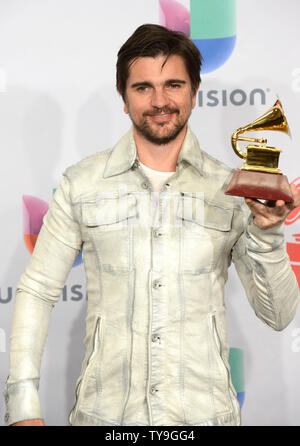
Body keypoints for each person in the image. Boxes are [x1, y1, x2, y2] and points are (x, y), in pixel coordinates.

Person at [4, 24, 300, 427]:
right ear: (124, 99)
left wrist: (267, 234)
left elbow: (279, 315)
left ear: (195, 93)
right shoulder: (82, 184)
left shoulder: (231, 190)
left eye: (173, 85)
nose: (160, 101)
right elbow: (37, 291)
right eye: (143, 87)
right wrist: (22, 407)